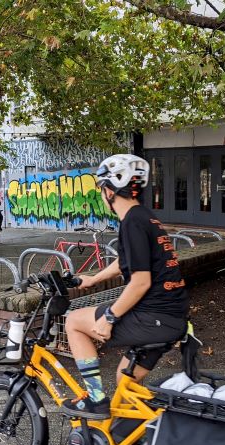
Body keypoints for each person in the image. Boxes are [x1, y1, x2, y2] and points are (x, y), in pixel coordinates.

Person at [62, 154, 189, 420]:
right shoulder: (145, 217)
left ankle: (95, 399)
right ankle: (147, 439)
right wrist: (94, 279)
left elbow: (140, 282)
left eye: (101, 190)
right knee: (125, 382)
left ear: (108, 190)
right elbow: (126, 261)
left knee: (73, 321)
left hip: (152, 317)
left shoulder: (131, 221)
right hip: (172, 319)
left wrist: (110, 318)